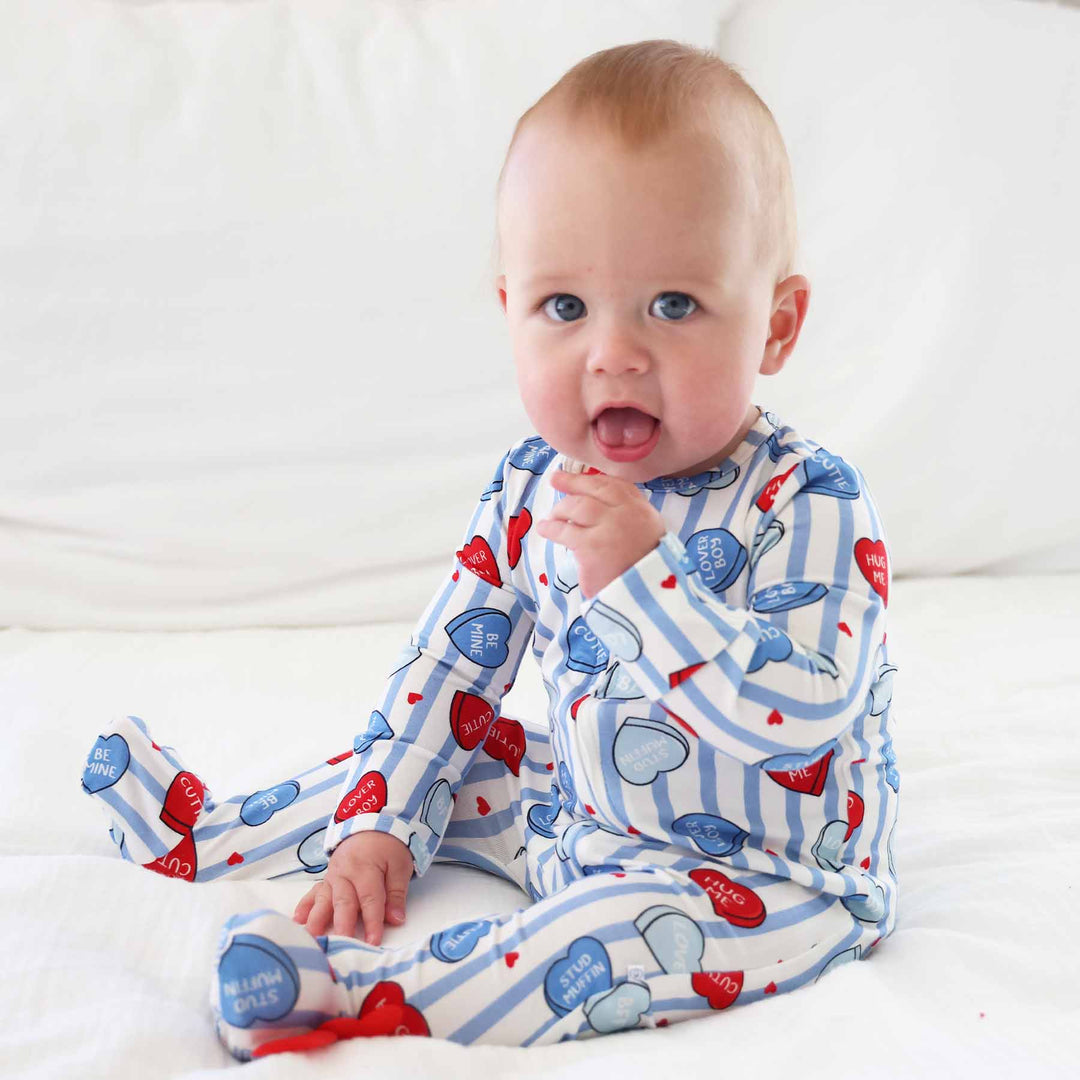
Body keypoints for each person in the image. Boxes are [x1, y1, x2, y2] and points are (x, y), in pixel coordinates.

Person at [81, 39, 899, 1059]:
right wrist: (381, 823)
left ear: (776, 327)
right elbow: (448, 670)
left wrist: (648, 583)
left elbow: (803, 718)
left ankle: (347, 992)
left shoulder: (808, 498)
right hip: (584, 817)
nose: (614, 352)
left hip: (773, 877)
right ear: (509, 310)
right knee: (452, 755)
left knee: (614, 939)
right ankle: (208, 834)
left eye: (674, 305)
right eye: (566, 307)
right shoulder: (533, 484)